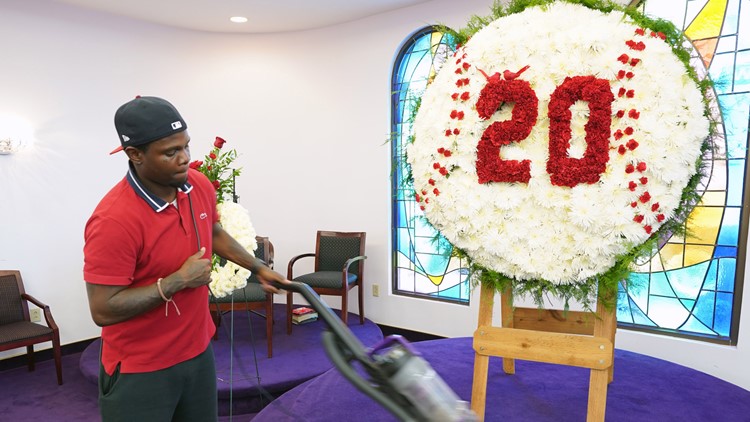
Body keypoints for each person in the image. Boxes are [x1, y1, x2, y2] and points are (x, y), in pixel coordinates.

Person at [83, 95, 290, 421]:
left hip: (197, 353)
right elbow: (103, 308)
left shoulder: (198, 184)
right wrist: (178, 281)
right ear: (135, 154)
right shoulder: (113, 220)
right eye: (171, 152)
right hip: (141, 368)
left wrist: (258, 267)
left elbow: (214, 232)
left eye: (186, 147)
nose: (184, 158)